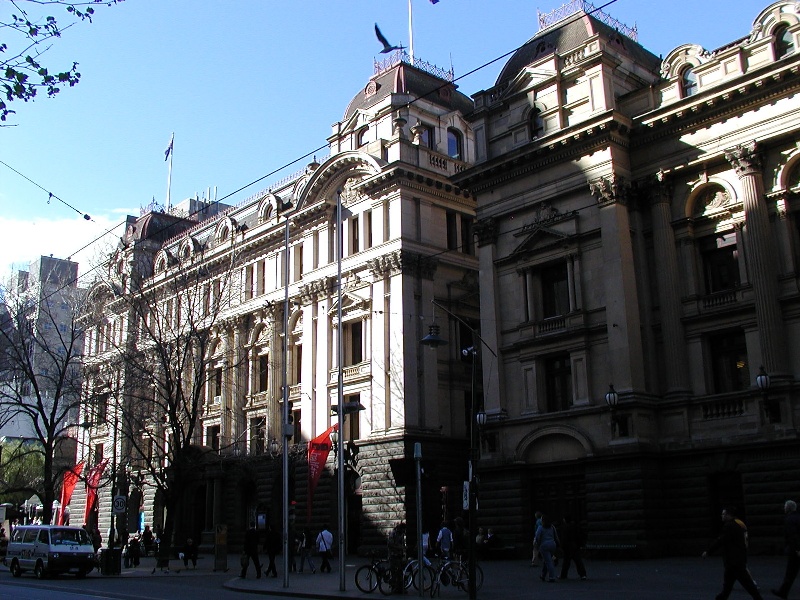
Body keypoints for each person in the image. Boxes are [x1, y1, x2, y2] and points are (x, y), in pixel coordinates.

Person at [702, 506, 764, 600]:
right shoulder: (740, 523)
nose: (721, 516)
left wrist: (708, 551)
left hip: (733, 560)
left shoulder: (729, 526)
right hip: (739, 558)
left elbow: (721, 540)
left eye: (723, 514)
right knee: (728, 585)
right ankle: (722, 597)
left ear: (728, 515)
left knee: (746, 584)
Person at [772, 500, 800, 599]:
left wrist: (797, 549)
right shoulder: (798, 517)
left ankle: (783, 592)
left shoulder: (789, 519)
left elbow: (793, 536)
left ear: (788, 508)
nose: (784, 508)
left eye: (785, 506)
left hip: (795, 550)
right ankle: (783, 592)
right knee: (791, 572)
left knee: (790, 572)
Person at [558, 516, 587, 580]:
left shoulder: (565, 528)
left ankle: (563, 575)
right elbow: (579, 536)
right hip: (575, 546)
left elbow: (564, 538)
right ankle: (583, 574)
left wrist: (562, 546)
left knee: (566, 562)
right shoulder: (575, 527)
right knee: (578, 561)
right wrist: (581, 544)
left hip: (568, 547)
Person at [534, 514, 559, 583]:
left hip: (544, 546)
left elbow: (537, 537)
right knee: (547, 560)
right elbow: (556, 536)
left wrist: (537, 544)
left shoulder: (540, 528)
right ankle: (543, 575)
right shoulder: (552, 527)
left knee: (548, 561)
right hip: (552, 545)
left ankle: (552, 577)